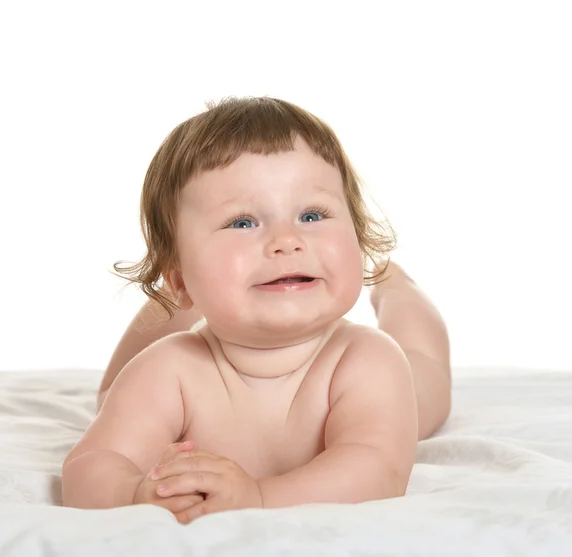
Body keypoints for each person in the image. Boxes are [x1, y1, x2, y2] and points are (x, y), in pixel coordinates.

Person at [61, 97, 451, 525]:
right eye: (243, 222)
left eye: (312, 214)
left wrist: (259, 498)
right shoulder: (169, 371)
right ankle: (179, 302)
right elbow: (92, 462)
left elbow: (377, 471)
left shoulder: (368, 360)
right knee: (111, 395)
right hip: (185, 316)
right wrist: (133, 493)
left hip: (403, 392)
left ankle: (396, 286)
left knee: (424, 365)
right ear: (179, 279)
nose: (287, 240)